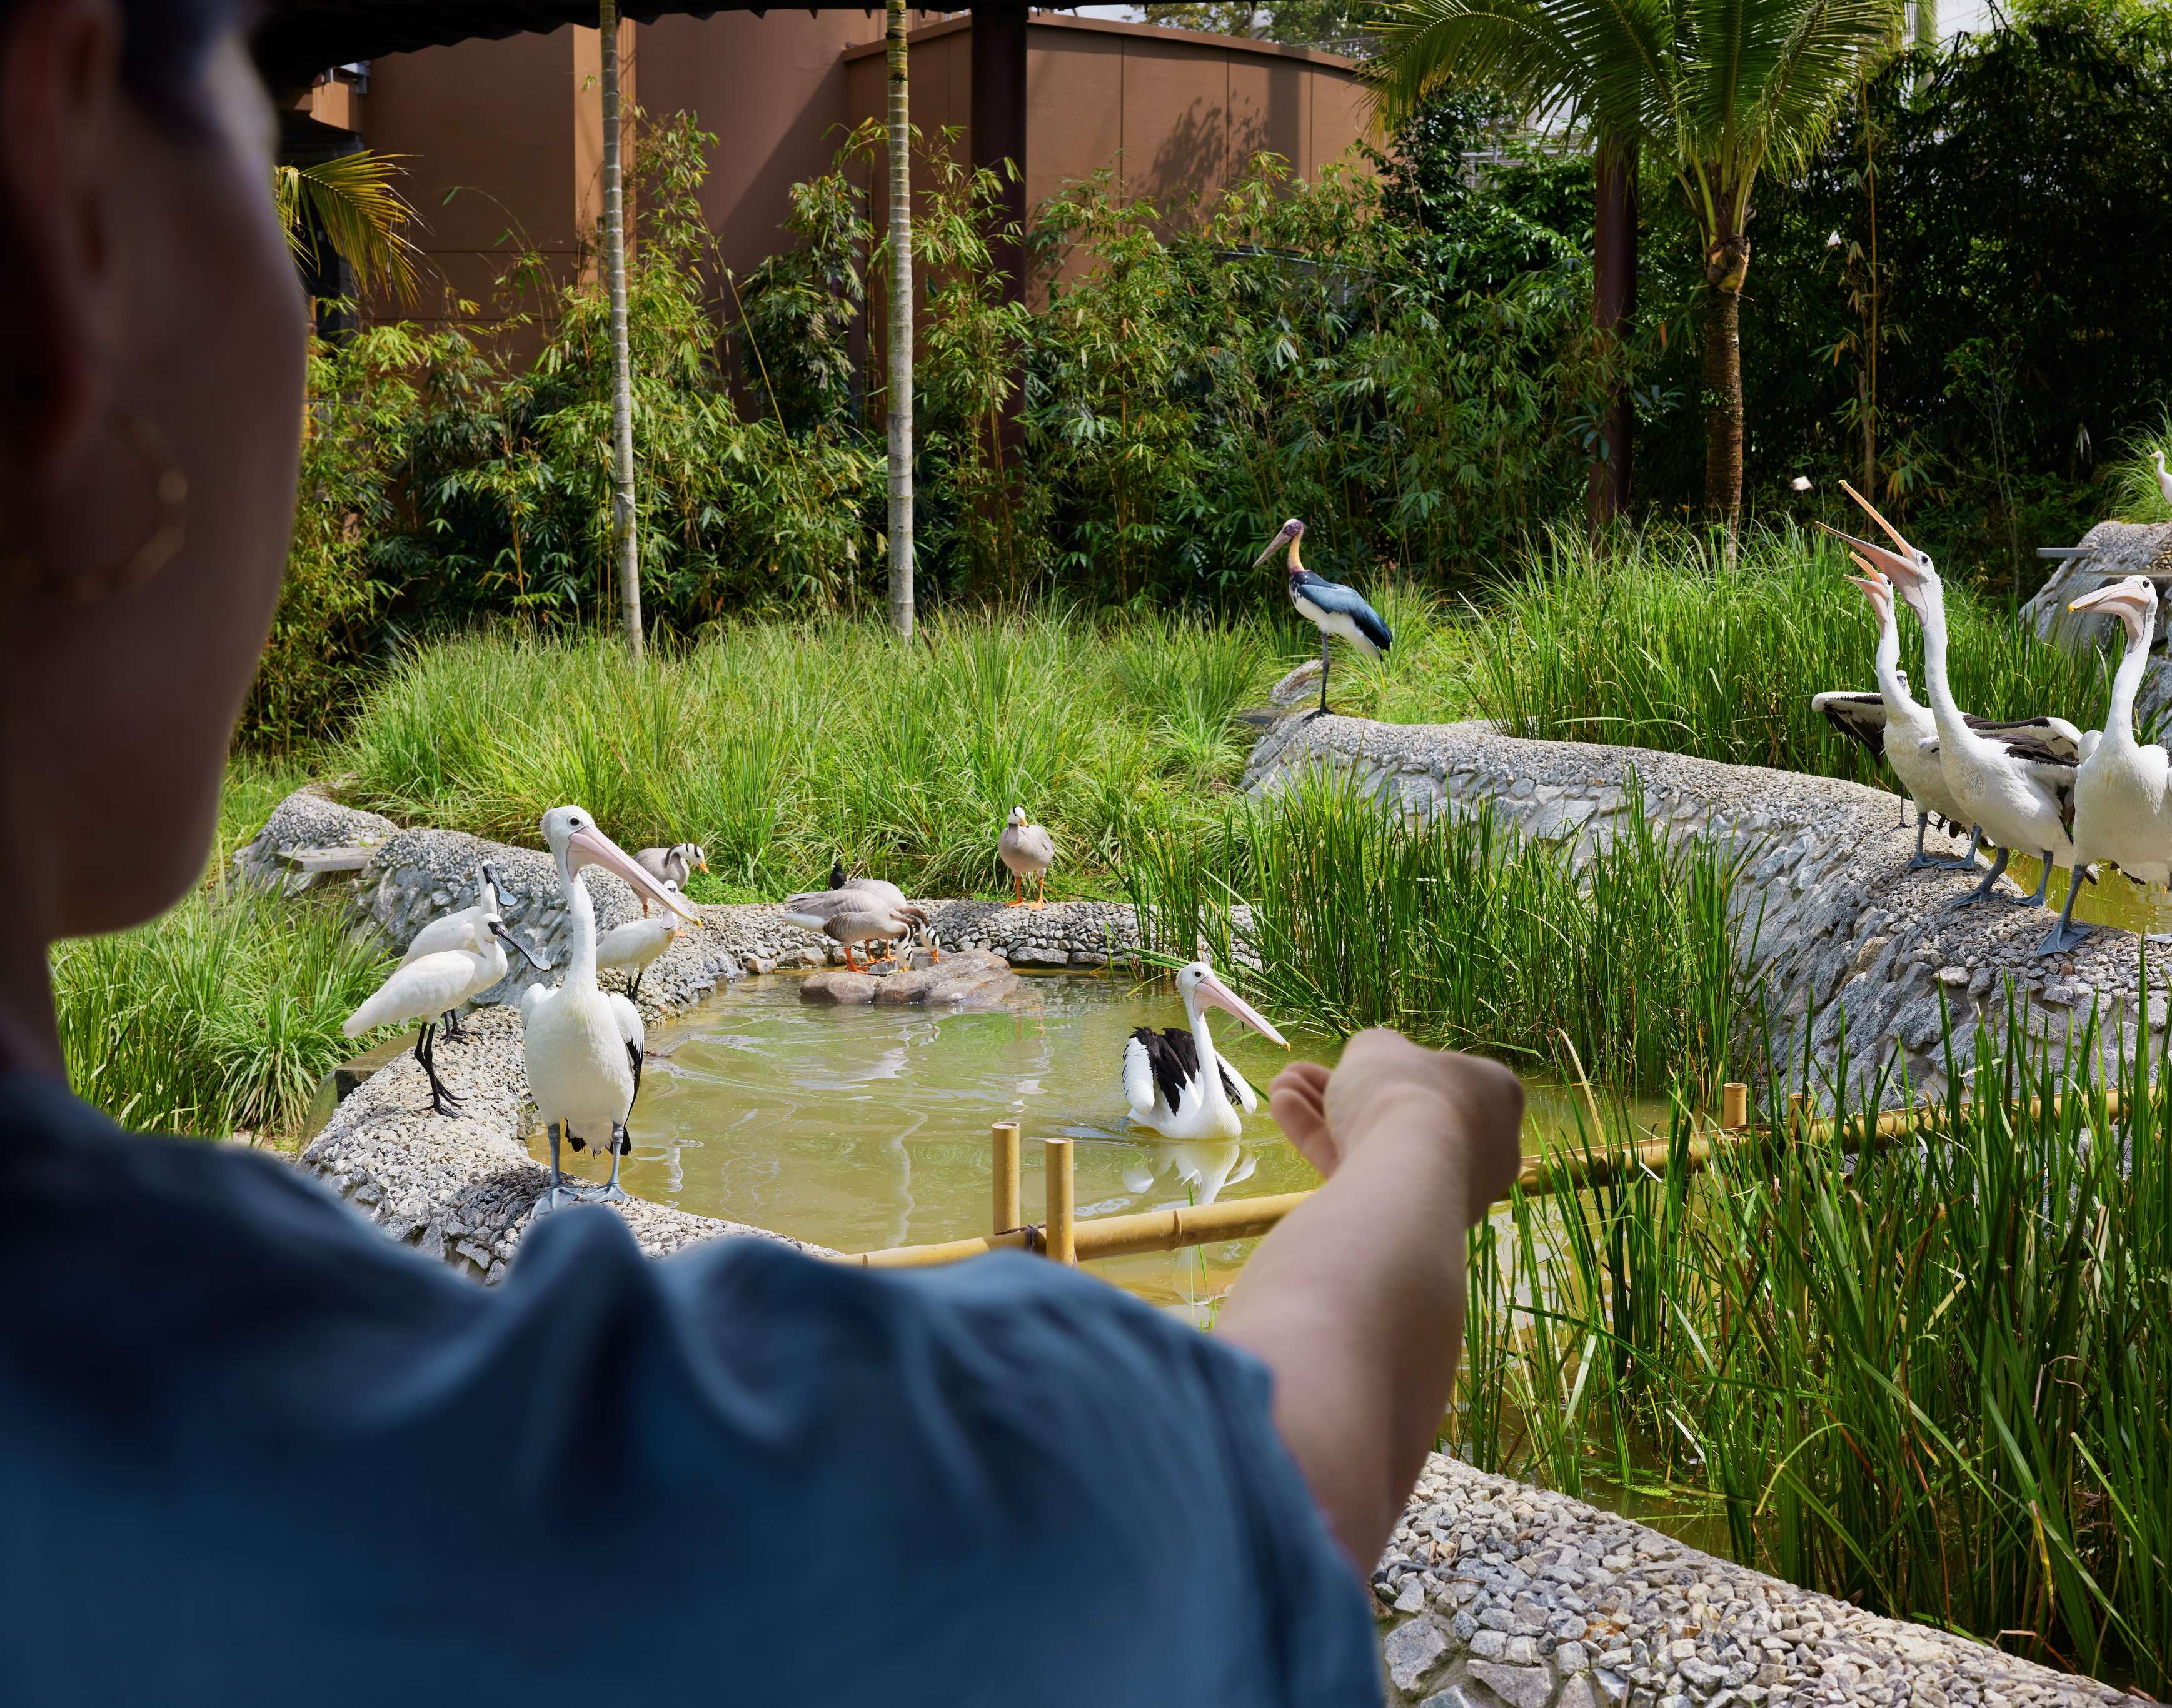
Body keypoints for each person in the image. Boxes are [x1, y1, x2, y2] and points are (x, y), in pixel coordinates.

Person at [0, 0, 1527, 1697]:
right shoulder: (429, 1460)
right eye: (272, 124)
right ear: (59, 203)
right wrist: (1422, 1132)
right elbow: (1248, 1486)